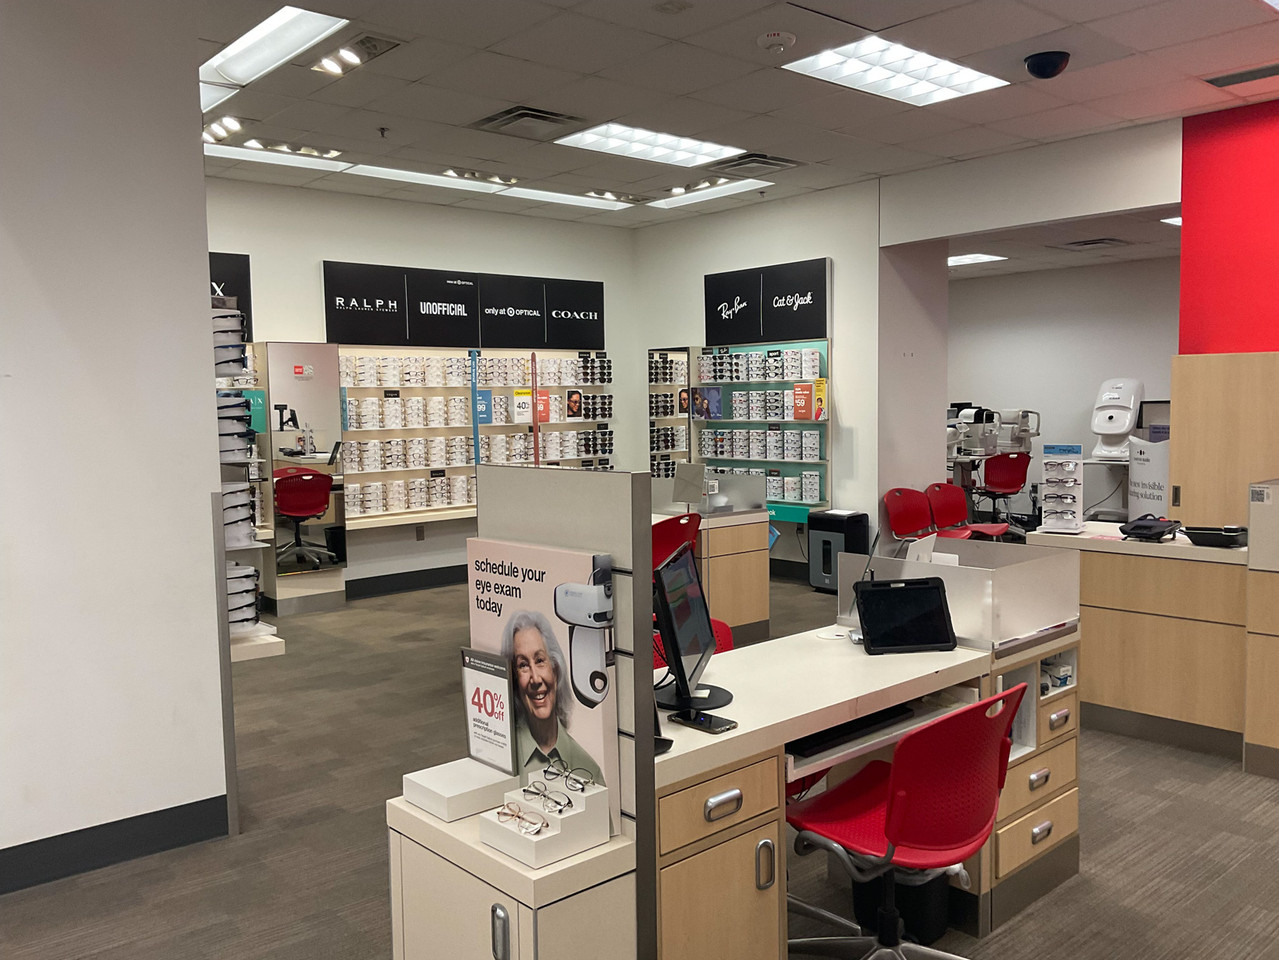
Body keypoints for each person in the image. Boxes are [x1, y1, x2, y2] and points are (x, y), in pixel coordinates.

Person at [501, 610, 604, 786]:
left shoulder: (588, 770)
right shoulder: (502, 755)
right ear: (514, 679)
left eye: (540, 660)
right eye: (523, 665)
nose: (535, 679)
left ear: (556, 670)